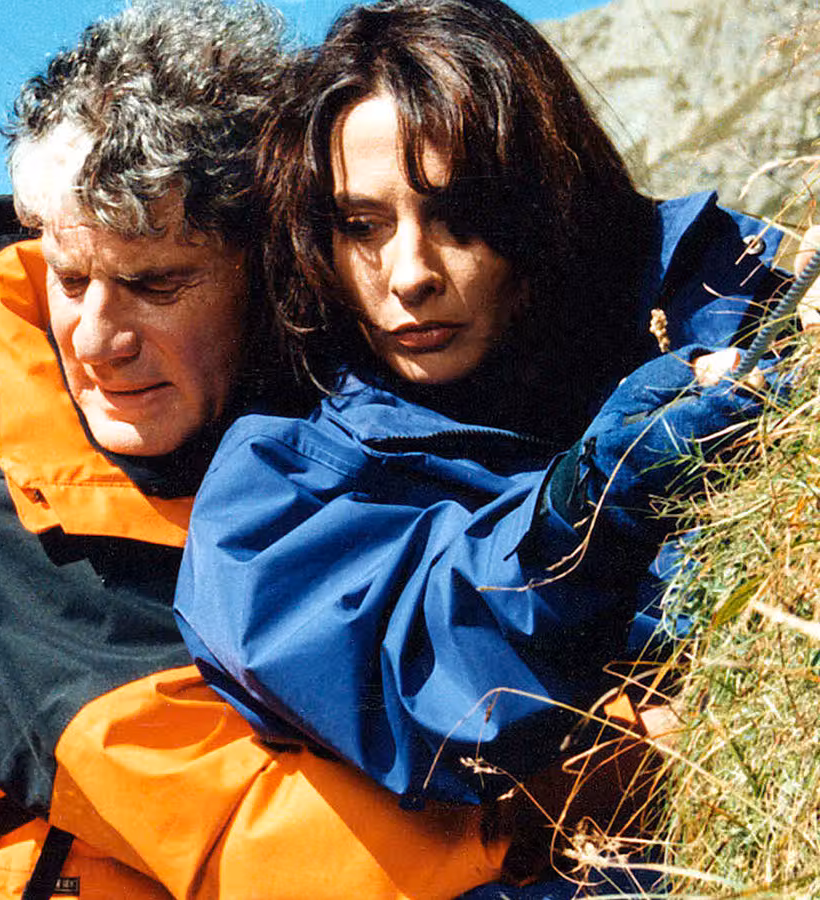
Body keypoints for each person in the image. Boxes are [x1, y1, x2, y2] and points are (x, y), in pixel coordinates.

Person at [0, 1, 537, 896]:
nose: (96, 339)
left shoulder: (327, 402)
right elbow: (250, 840)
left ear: (269, 265)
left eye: (156, 283)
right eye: (70, 279)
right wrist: (595, 782)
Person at [171, 0, 794, 858]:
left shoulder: (718, 294)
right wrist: (589, 505)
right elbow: (438, 686)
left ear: (545, 204)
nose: (411, 274)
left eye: (458, 215)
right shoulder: (273, 493)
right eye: (362, 226)